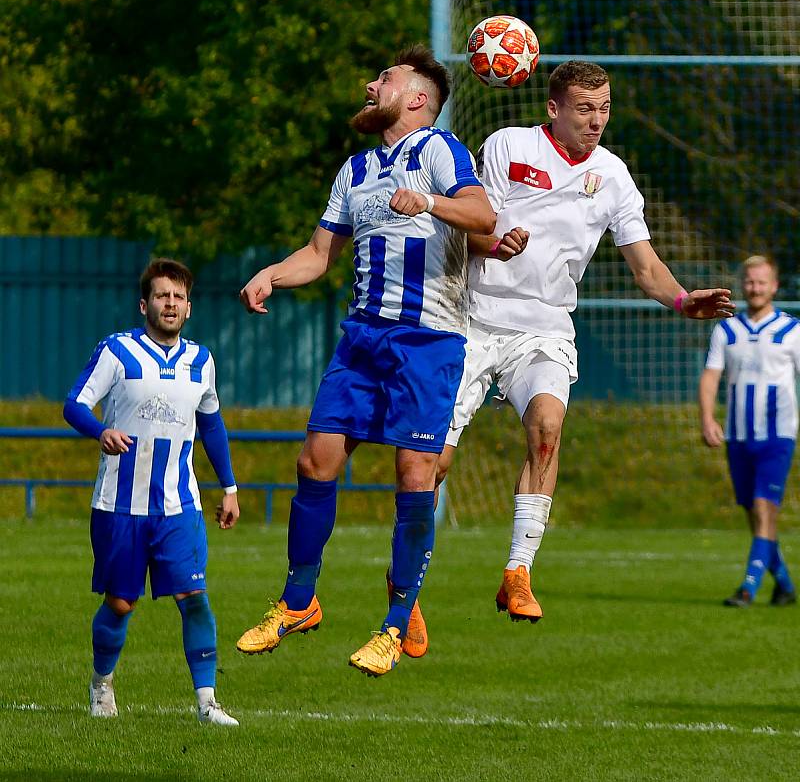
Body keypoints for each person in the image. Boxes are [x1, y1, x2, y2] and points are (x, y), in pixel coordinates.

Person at [433, 59, 734, 623]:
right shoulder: (506, 146)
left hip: (546, 325)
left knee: (547, 429)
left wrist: (680, 299)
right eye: (584, 109)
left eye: (605, 108)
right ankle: (409, 588)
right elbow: (467, 228)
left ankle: (518, 572)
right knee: (435, 462)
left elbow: (644, 267)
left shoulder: (615, 176)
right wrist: (494, 244)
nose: (597, 120)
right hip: (474, 318)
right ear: (554, 109)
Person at [235, 45, 498, 676]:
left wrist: (430, 202)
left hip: (426, 341)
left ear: (415, 99)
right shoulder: (354, 170)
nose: (369, 84)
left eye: (384, 78)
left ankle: (392, 622)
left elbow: (484, 214)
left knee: (414, 475)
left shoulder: (439, 150)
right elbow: (320, 252)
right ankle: (299, 601)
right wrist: (274, 272)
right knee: (314, 461)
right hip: (362, 338)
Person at [63, 258, 240, 724]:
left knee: (194, 597)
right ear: (145, 304)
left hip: (179, 506)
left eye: (178, 297)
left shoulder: (202, 361)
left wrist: (230, 487)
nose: (171, 303)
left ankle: (207, 704)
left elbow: (212, 424)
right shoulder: (117, 351)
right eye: (163, 295)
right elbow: (75, 403)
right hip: (120, 505)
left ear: (189, 308)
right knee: (121, 603)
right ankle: (102, 684)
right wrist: (100, 431)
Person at [699, 255, 798, 607]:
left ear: (774, 286)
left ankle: (748, 588)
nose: (755, 288)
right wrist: (708, 418)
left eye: (762, 282)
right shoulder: (727, 329)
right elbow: (711, 376)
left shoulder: (791, 330)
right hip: (738, 437)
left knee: (764, 507)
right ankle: (784, 584)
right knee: (753, 513)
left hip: (777, 436)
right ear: (743, 285)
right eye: (750, 281)